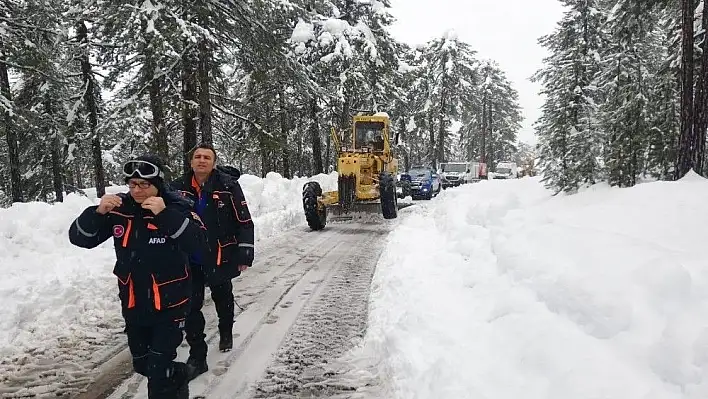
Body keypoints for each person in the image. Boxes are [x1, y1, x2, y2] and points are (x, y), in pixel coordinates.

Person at [68, 155, 208, 399]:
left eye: (144, 184)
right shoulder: (121, 211)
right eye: (132, 184)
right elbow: (81, 239)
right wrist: (98, 212)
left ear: (158, 185)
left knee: (158, 371)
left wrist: (165, 216)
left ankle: (170, 381)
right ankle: (179, 375)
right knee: (142, 364)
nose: (137, 190)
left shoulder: (177, 206)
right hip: (134, 302)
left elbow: (199, 243)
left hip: (170, 304)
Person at [171, 143, 255, 379]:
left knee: (223, 296)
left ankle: (226, 330)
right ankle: (198, 355)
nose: (201, 160)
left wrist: (245, 252)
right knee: (191, 306)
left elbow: (244, 221)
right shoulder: (177, 188)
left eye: (207, 157)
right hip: (190, 258)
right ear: (191, 162)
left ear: (214, 162)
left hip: (220, 253)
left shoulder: (228, 186)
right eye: (197, 156)